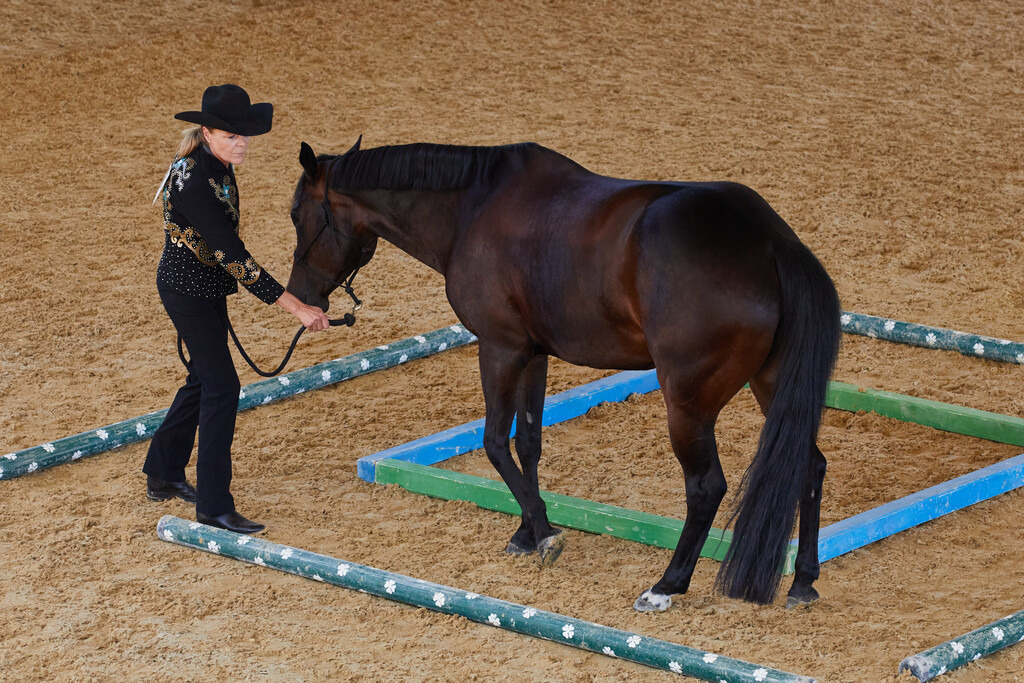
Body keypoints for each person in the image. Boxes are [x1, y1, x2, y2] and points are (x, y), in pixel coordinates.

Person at [144, 84, 329, 534]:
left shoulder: (218, 166)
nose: (240, 142)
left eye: (244, 135)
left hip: (205, 287)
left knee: (203, 378)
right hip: (187, 291)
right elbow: (233, 255)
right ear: (206, 133)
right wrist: (296, 307)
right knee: (222, 387)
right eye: (231, 135)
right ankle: (213, 505)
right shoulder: (194, 180)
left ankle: (163, 470)